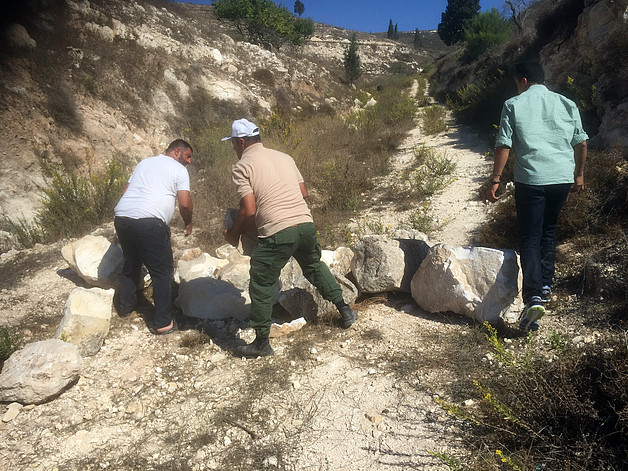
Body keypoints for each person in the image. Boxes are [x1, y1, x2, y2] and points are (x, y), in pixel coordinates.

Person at [222, 119, 357, 357]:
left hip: (278, 231)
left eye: (233, 143)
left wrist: (233, 234)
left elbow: (249, 209)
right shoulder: (285, 157)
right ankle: (344, 309)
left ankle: (261, 342)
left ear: (241, 142)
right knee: (314, 266)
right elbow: (303, 192)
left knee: (262, 282)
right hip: (305, 225)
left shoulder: (242, 166)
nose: (233, 148)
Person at [487, 61, 588, 331]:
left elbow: (504, 144)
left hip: (531, 180)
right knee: (549, 232)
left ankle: (532, 296)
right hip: (562, 179)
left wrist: (496, 179)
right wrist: (579, 174)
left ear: (522, 80)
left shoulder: (513, 104)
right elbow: (581, 142)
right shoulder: (567, 103)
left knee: (530, 237)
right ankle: (545, 287)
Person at [114, 139, 194, 335]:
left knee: (131, 263)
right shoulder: (179, 169)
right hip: (150, 223)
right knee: (162, 272)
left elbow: (126, 191)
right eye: (188, 156)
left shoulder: (144, 163)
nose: (189, 162)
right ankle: (163, 322)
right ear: (177, 152)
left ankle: (124, 307)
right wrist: (188, 222)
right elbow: (184, 203)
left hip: (122, 218)